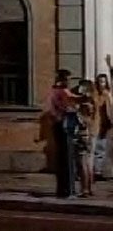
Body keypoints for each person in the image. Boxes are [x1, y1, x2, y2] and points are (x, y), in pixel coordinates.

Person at [47, 69, 79, 198]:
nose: (69, 82)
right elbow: (68, 107)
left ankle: (62, 189)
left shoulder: (55, 92)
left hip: (59, 125)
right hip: (64, 126)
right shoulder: (61, 92)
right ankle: (67, 190)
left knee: (62, 159)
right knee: (67, 159)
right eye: (68, 79)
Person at [74, 81, 96, 197]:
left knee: (82, 163)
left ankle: (85, 189)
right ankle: (89, 188)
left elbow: (82, 120)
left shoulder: (84, 106)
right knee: (88, 163)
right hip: (89, 134)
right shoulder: (92, 103)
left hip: (83, 135)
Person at [93, 72, 113, 180]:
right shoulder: (95, 95)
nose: (102, 84)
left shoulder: (106, 95)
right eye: (100, 82)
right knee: (97, 148)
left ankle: (98, 171)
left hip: (103, 125)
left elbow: (109, 110)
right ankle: (95, 171)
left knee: (101, 148)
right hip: (95, 124)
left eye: (104, 82)